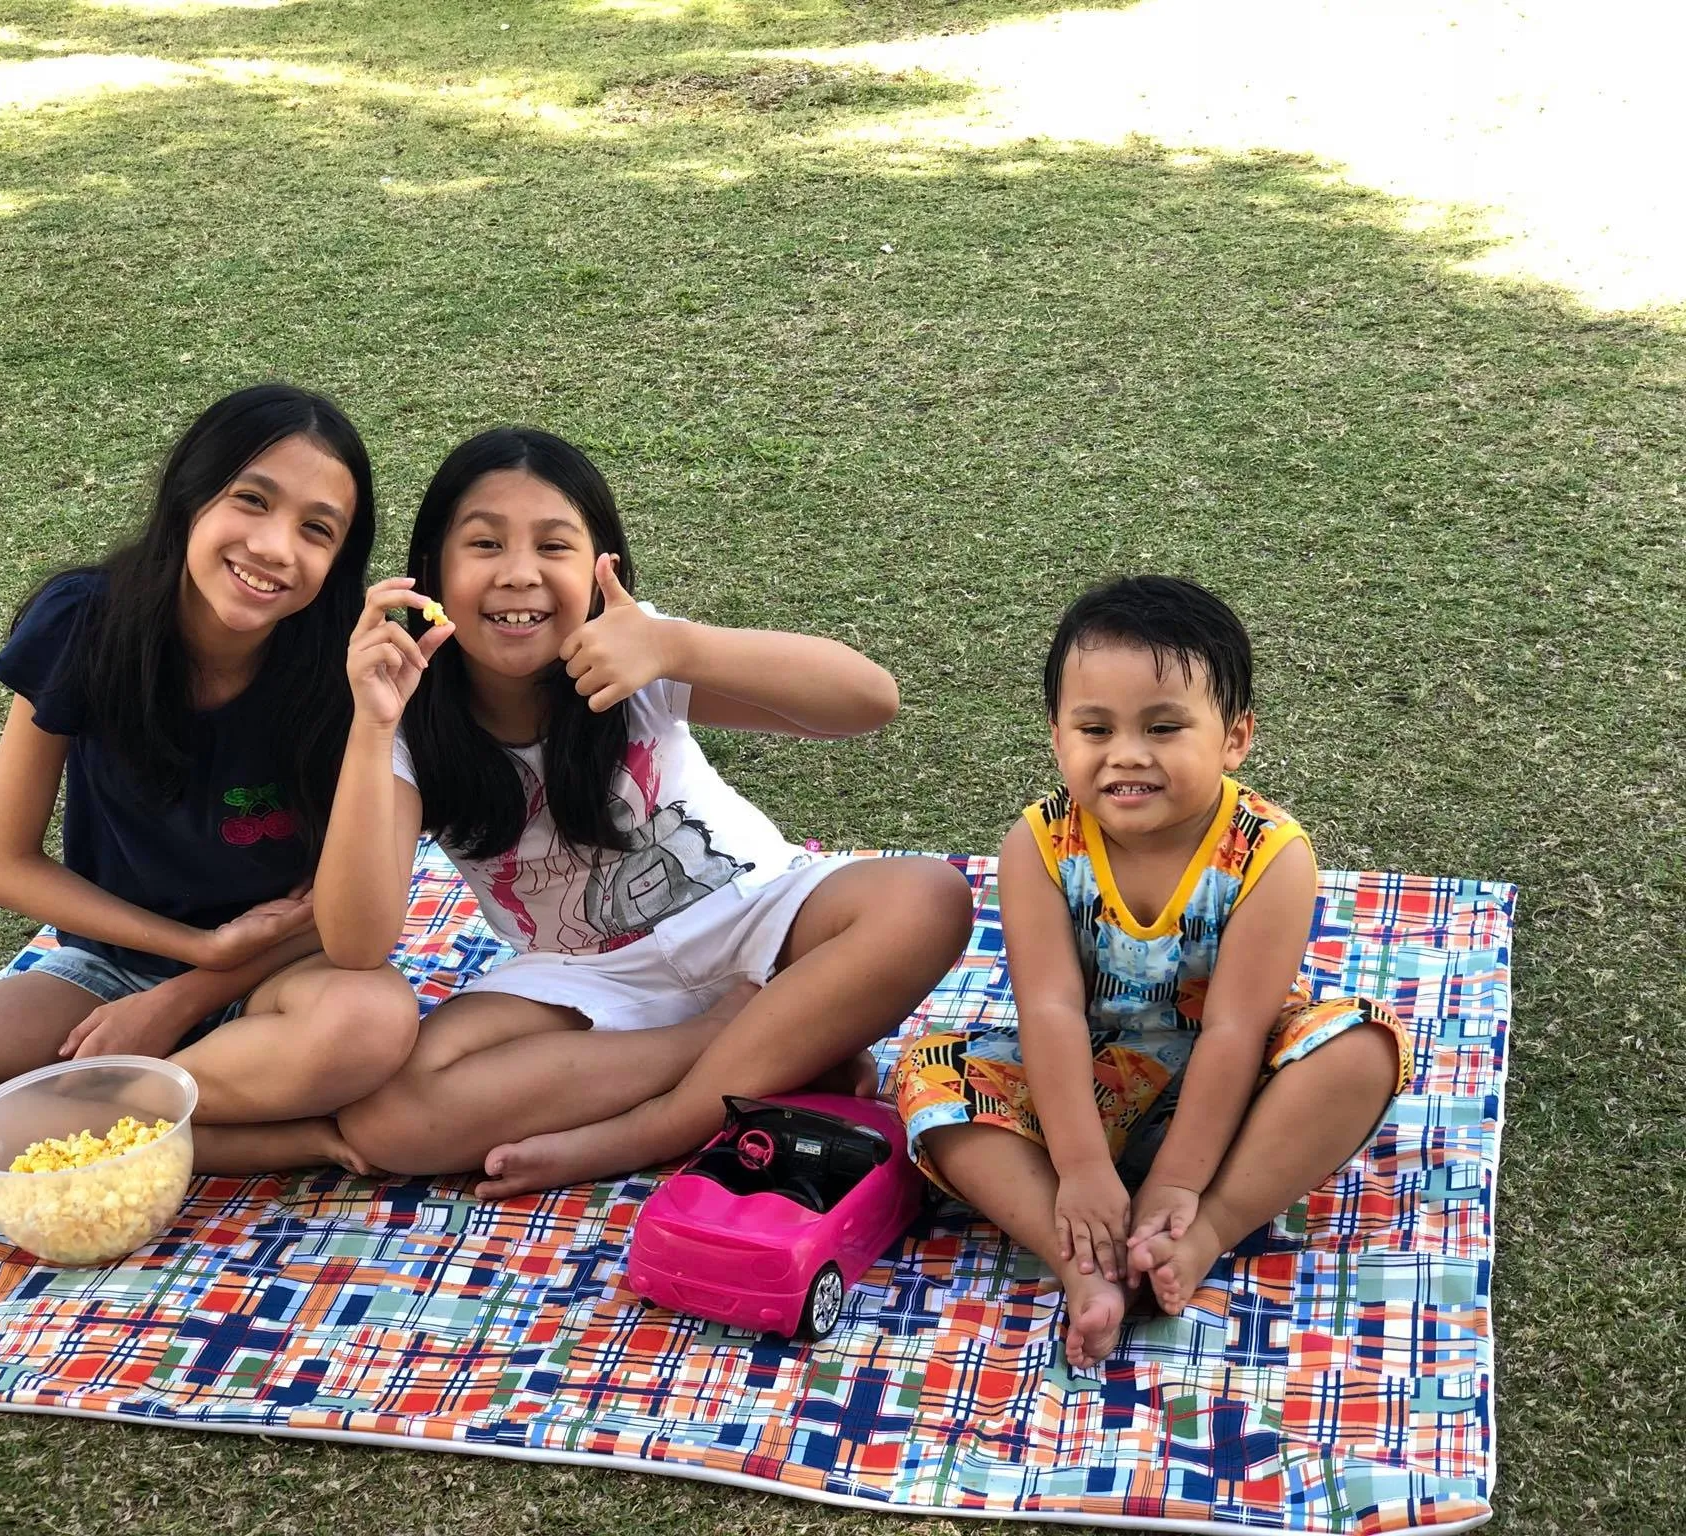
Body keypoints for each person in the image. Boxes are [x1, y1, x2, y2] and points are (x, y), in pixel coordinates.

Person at [0, 384, 421, 1189]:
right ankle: (235, 1141)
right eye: (251, 500)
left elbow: (348, 910)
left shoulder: (348, 671)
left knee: (371, 1020)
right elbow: (3, 862)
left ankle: (97, 1119)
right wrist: (190, 953)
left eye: (318, 530)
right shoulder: (84, 623)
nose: (277, 547)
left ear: (340, 562)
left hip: (279, 981)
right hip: (106, 974)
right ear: (189, 496)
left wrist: (190, 996)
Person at [314, 426, 972, 1198]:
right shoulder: (404, 714)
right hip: (586, 981)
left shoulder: (635, 653)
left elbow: (869, 701)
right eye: (484, 545)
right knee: (386, 1116)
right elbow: (357, 944)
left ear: (601, 572)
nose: (519, 575)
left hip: (756, 917)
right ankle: (751, 1046)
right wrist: (371, 726)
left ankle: (658, 1125)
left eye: (554, 547)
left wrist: (675, 647)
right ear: (429, 573)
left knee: (929, 896)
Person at [893, 576, 1409, 1368]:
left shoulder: (1273, 856)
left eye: (1164, 727)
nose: (1127, 754)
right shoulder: (1036, 845)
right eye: (1094, 727)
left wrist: (1176, 1191)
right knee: (929, 1074)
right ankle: (1085, 1261)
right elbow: (1051, 1010)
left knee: (1364, 1048)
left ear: (1235, 737)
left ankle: (1197, 1238)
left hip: (1234, 1101)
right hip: (1084, 1089)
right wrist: (1081, 1168)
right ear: (1056, 736)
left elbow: (1236, 1030)